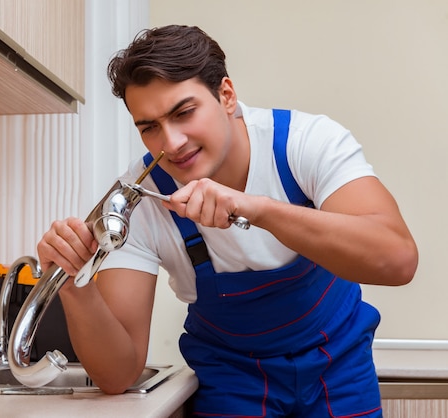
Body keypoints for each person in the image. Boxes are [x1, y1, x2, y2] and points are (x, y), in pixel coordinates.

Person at [37, 25, 418, 417]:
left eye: (184, 113)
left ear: (226, 95)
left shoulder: (304, 143)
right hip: (233, 377)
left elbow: (399, 260)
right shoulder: (138, 201)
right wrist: (75, 284)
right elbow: (118, 375)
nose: (171, 143)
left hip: (338, 362)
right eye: (149, 127)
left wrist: (259, 209)